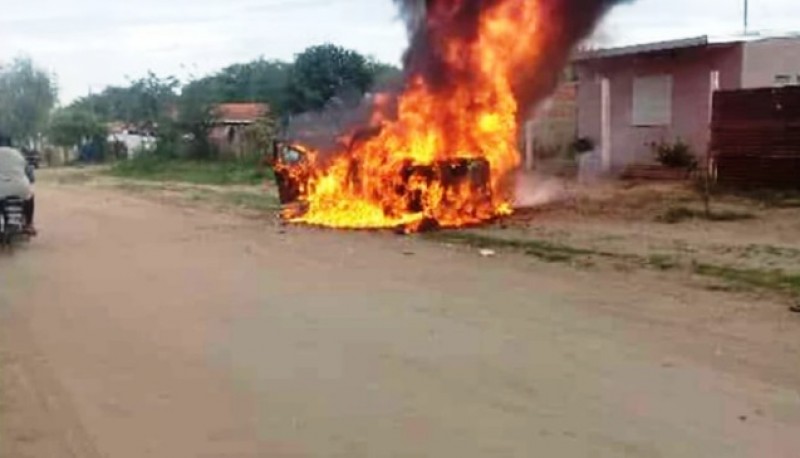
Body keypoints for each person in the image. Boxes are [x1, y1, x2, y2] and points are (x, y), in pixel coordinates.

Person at [0, 133, 36, 235]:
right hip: (19, 187)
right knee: (30, 197)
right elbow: (29, 173)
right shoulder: (18, 154)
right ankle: (29, 224)